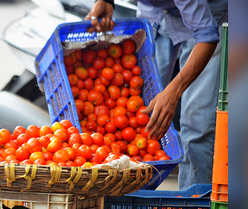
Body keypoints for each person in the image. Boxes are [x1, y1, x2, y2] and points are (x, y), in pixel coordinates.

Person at [86, 0, 227, 190]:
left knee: (196, 124)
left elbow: (207, 36)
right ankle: (131, 199)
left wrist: (173, 92)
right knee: (139, 110)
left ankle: (193, 206)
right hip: (156, 15)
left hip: (207, 16)